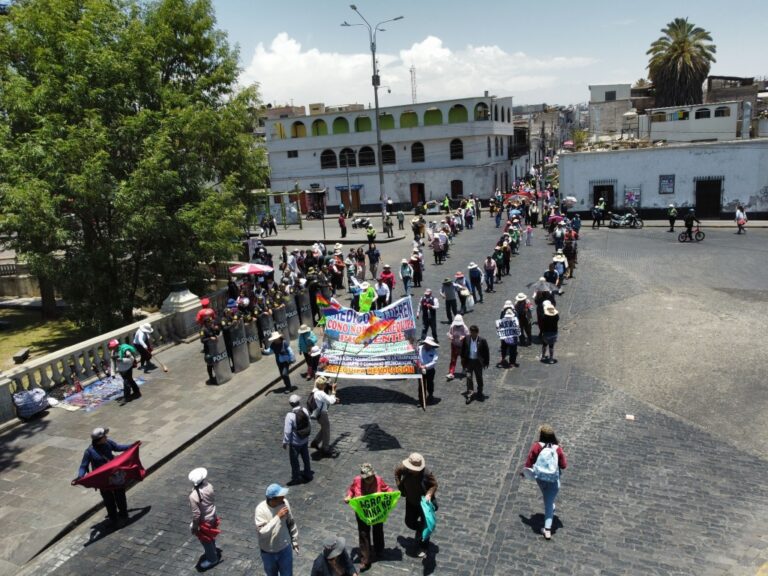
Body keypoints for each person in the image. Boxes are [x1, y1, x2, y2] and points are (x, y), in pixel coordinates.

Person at [76, 427, 133, 526]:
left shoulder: (108, 443)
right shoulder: (89, 452)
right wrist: (80, 476)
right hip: (103, 480)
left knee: (120, 496)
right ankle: (113, 518)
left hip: (115, 476)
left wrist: (132, 446)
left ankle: (124, 515)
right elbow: (83, 466)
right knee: (108, 500)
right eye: (104, 436)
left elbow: (118, 447)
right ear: (99, 439)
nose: (106, 437)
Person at [344, 464, 393, 571]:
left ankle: (379, 550)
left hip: (376, 511)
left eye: (370, 477)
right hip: (362, 511)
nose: (368, 480)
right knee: (363, 533)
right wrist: (349, 496)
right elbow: (351, 490)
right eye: (366, 478)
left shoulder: (379, 480)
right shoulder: (357, 480)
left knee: (378, 530)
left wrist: (391, 495)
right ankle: (365, 560)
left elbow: (387, 489)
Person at [523, 424, 568, 540]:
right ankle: (547, 530)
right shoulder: (557, 448)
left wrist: (524, 473)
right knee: (548, 503)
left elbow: (529, 463)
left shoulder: (536, 446)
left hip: (540, 478)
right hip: (553, 480)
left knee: (547, 498)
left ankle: (550, 506)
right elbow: (563, 466)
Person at [394, 453, 438, 558]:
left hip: (424, 504)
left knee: (425, 524)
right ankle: (421, 529)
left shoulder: (427, 473)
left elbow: (434, 485)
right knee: (409, 522)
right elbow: (397, 472)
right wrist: (400, 486)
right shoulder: (403, 468)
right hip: (410, 501)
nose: (414, 470)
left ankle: (423, 546)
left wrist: (429, 494)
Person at [255, 483, 299, 576]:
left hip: (284, 547)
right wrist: (277, 517)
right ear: (273, 499)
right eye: (280, 496)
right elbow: (262, 531)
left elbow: (290, 521)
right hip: (268, 551)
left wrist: (294, 540)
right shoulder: (260, 510)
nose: (283, 497)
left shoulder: (285, 503)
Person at [188, 467, 221, 571]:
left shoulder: (193, 496)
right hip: (213, 515)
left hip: (204, 521)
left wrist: (195, 526)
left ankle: (212, 559)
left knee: (205, 540)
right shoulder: (209, 486)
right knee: (211, 536)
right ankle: (214, 551)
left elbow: (196, 514)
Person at [284, 394, 313, 485]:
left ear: (290, 404)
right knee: (305, 458)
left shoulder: (290, 415)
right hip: (304, 439)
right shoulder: (304, 410)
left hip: (295, 442)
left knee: (294, 460)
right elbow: (309, 422)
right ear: (299, 402)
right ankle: (308, 473)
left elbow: (287, 431)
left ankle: (296, 478)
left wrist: (285, 442)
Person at [460, 325, 490, 402]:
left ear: (477, 332)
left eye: (474, 333)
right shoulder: (466, 339)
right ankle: (470, 392)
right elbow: (463, 350)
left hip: (478, 362)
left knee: (479, 377)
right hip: (469, 362)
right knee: (469, 377)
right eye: (471, 332)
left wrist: (486, 362)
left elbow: (486, 352)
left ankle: (480, 391)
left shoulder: (482, 340)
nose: (472, 334)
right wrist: (463, 360)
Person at [310, 376, 339, 457]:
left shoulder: (315, 390)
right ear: (322, 385)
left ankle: (315, 442)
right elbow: (331, 401)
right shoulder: (321, 393)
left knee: (324, 428)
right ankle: (325, 448)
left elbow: (326, 399)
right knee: (326, 430)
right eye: (325, 384)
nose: (326, 385)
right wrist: (333, 390)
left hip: (318, 413)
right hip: (322, 414)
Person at [446, 314, 469, 380]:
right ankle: (451, 372)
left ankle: (464, 369)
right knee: (453, 359)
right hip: (454, 345)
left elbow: (468, 336)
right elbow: (449, 333)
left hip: (462, 346)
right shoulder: (452, 326)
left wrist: (464, 337)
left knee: (463, 359)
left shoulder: (464, 327)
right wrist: (450, 336)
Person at [417, 336, 439, 406]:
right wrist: (419, 364)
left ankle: (430, 395)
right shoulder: (419, 349)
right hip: (420, 370)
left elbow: (434, 362)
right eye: (427, 344)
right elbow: (415, 357)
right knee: (421, 385)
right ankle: (421, 400)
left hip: (430, 370)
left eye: (430, 345)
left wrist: (425, 366)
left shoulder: (434, 352)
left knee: (430, 383)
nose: (428, 346)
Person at [200, 316, 220, 385]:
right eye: (209, 322)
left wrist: (217, 329)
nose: (210, 323)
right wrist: (210, 338)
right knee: (210, 364)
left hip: (214, 347)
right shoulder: (203, 330)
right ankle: (211, 378)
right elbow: (202, 340)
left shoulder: (211, 327)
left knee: (215, 361)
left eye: (210, 322)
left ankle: (217, 374)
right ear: (206, 323)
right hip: (208, 349)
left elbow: (217, 333)